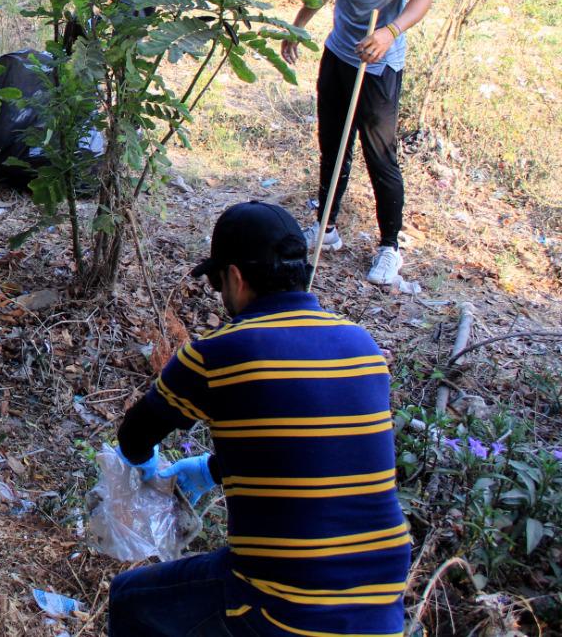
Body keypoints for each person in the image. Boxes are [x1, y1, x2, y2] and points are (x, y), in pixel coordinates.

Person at [107, 200, 410, 637]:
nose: (221, 293)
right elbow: (308, 448)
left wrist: (149, 475)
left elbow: (135, 436)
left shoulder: (219, 353)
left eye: (216, 282)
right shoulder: (362, 347)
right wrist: (210, 470)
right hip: (381, 608)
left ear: (235, 276)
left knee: (132, 600)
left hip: (283, 605)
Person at [280, 0, 434, 288]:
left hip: (379, 64)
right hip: (340, 52)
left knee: (379, 154)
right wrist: (299, 23)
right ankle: (326, 228)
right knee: (332, 142)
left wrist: (390, 32)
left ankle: (390, 247)